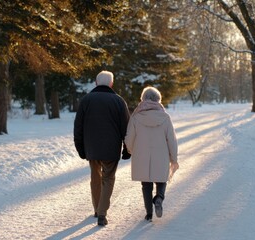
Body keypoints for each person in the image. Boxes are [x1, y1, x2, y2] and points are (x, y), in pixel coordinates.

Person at [73, 70, 130, 226]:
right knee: (108, 179)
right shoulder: (119, 101)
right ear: (111, 83)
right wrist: (127, 148)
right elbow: (126, 127)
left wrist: (80, 146)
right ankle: (102, 213)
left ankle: (97, 209)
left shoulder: (86, 100)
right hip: (111, 148)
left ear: (96, 83)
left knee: (95, 177)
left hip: (91, 147)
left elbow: (78, 126)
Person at [124, 86, 179, 222]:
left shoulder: (136, 116)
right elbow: (171, 139)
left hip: (141, 155)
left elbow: (129, 137)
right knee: (162, 179)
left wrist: (131, 150)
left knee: (146, 184)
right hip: (161, 155)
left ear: (143, 98)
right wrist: (174, 157)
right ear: (158, 99)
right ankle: (159, 198)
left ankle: (149, 213)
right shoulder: (165, 117)